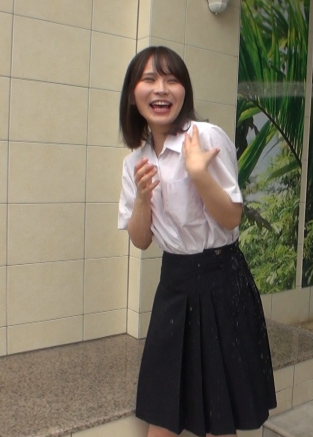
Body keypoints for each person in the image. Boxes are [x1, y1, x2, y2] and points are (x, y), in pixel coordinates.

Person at [117, 46, 277, 437]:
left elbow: (231, 217)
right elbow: (141, 240)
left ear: (184, 91)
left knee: (219, 417)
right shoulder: (135, 162)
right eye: (150, 80)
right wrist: (142, 198)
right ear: (133, 95)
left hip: (221, 279)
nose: (161, 89)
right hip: (174, 285)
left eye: (172, 80)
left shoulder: (204, 137)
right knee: (163, 408)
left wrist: (198, 173)